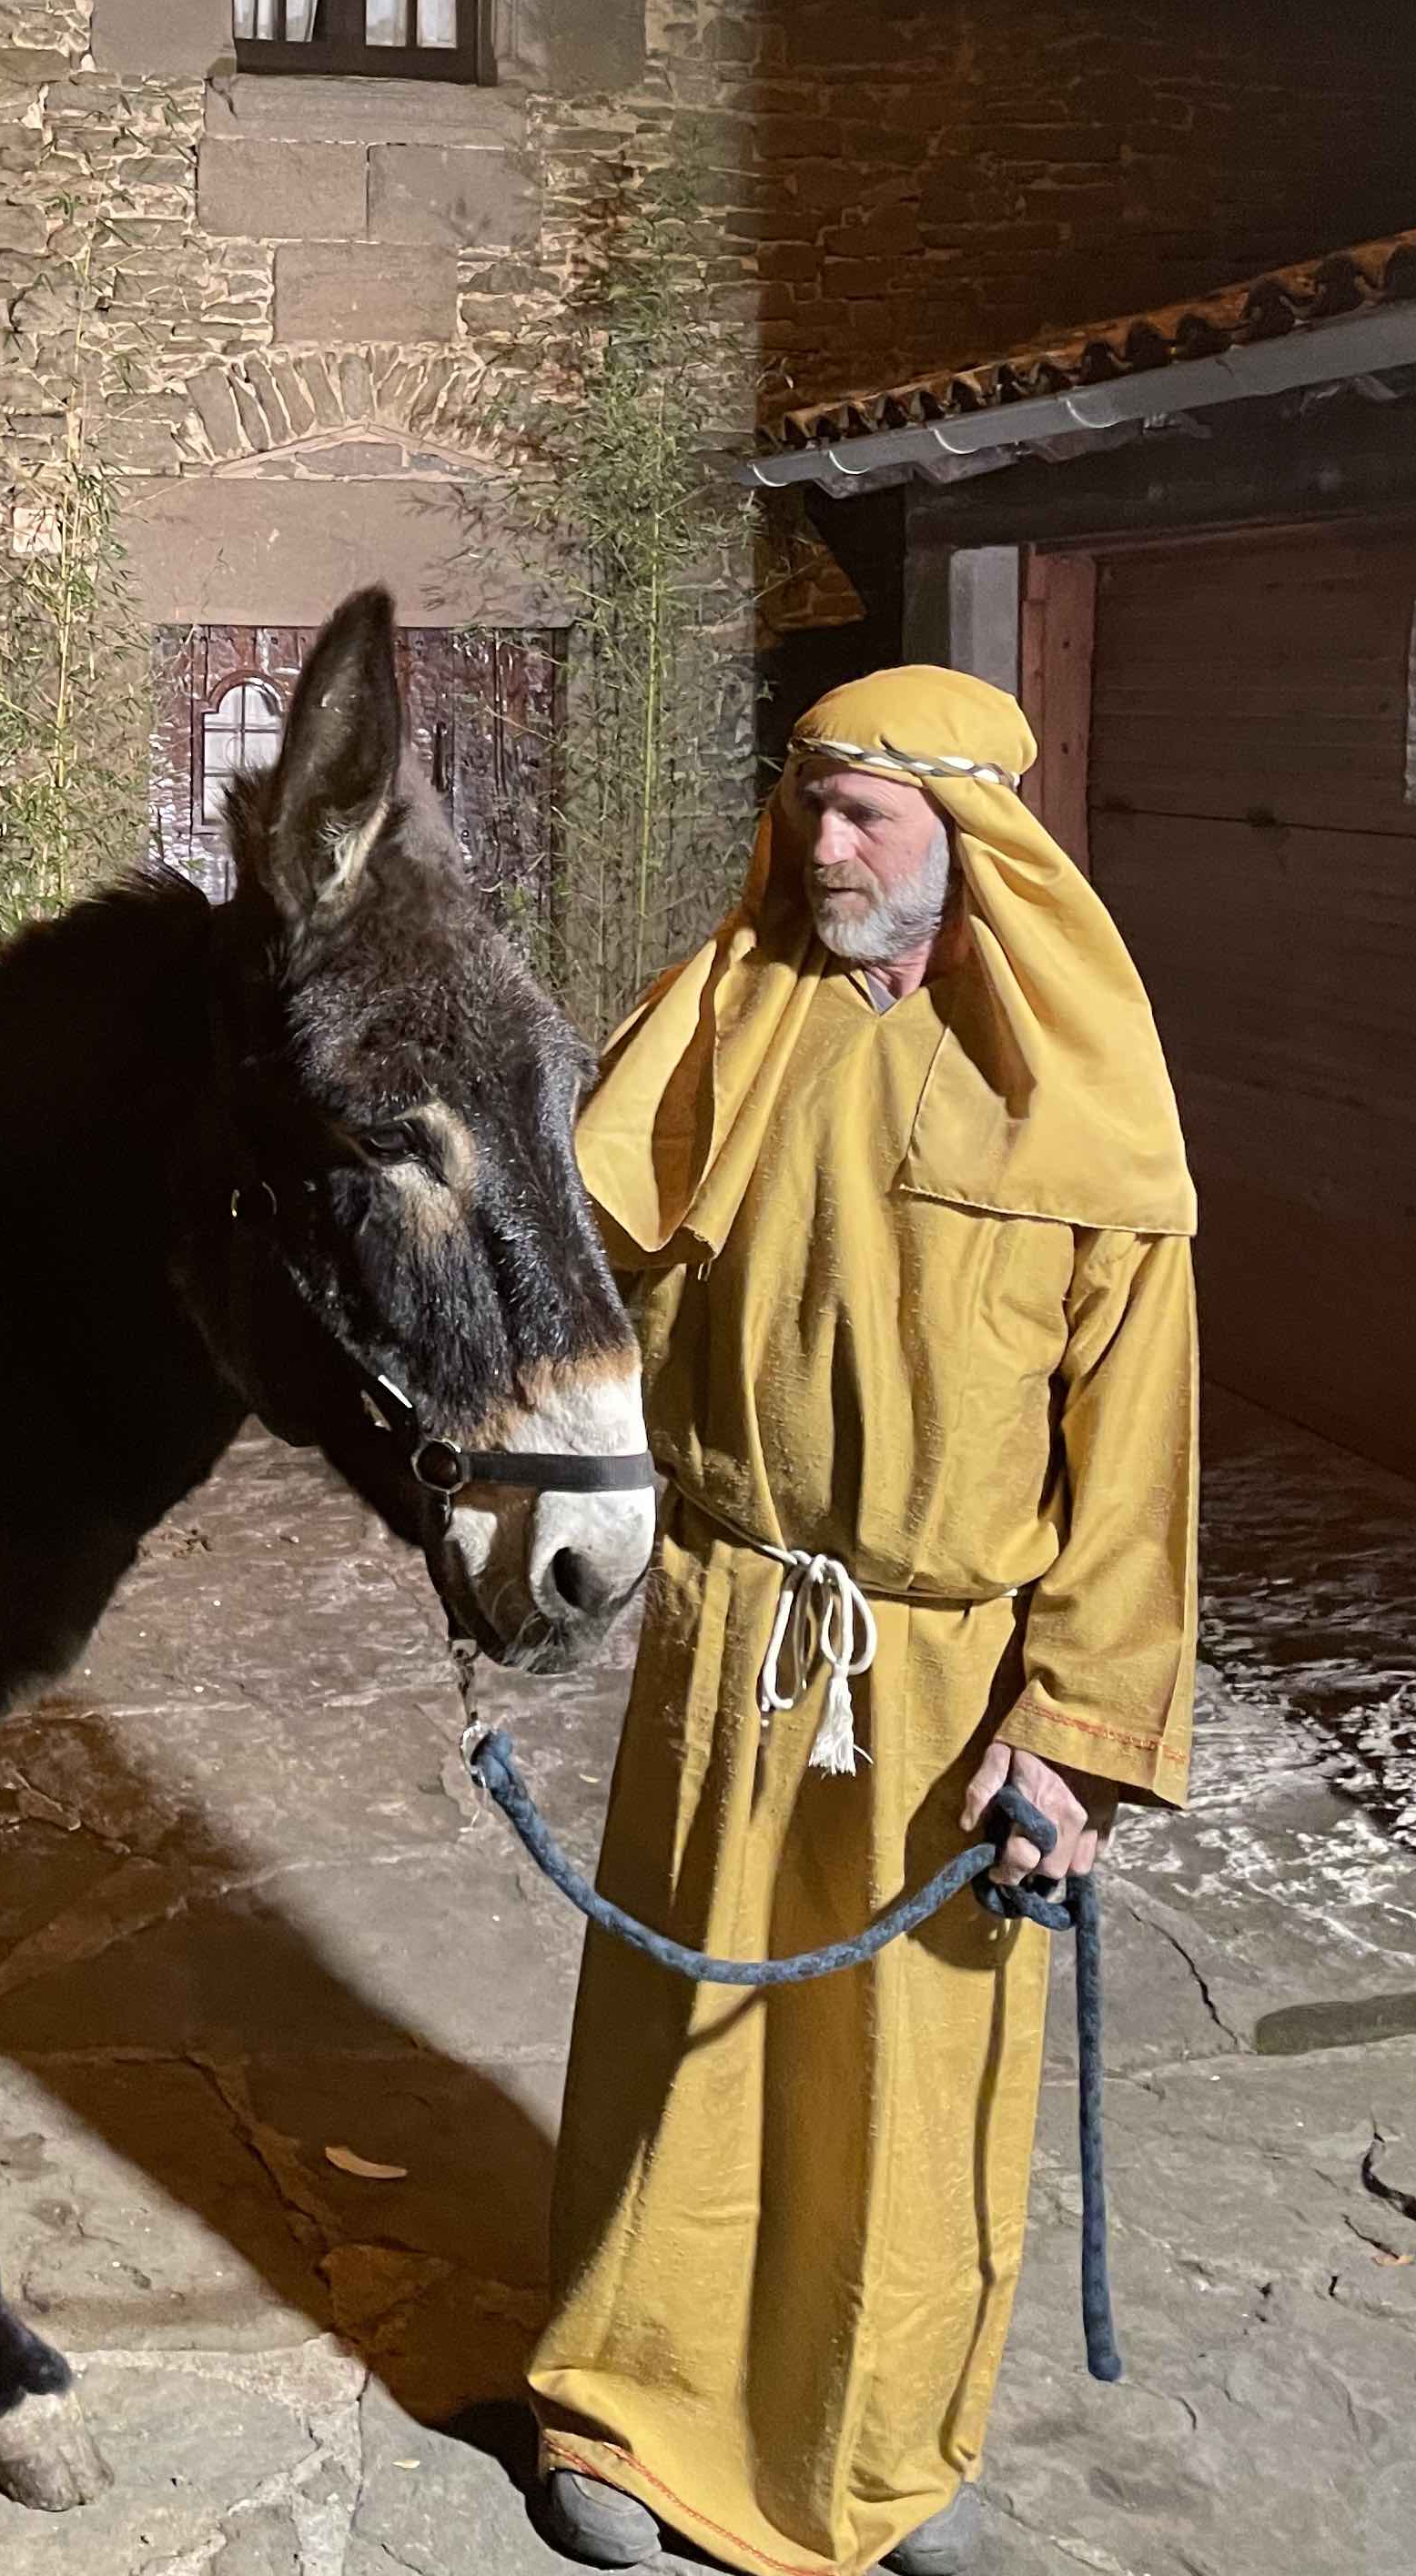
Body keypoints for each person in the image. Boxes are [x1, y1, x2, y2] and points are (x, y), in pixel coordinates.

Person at [525, 668, 1199, 2576]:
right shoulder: (722, 1019)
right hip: (731, 1621)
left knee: (910, 2077)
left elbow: (1136, 1453)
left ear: (969, 841)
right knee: (687, 2033)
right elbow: (573, 1290)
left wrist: (1076, 1735)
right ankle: (623, 2414)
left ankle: (878, 2448)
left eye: (866, 814)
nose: (822, 845)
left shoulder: (1084, 1094)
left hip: (953, 1674)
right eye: (809, 805)